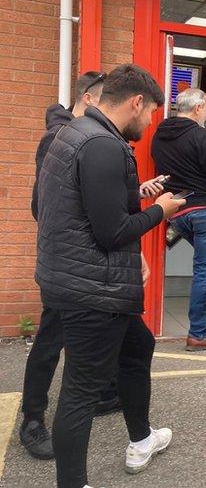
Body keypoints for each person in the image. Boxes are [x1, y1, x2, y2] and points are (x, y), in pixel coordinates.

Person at [35, 64, 184, 488]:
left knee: (137, 347)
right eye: (152, 112)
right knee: (81, 391)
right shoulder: (103, 145)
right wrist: (161, 212)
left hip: (71, 276)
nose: (151, 121)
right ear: (136, 102)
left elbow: (81, 207)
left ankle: (141, 436)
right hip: (91, 289)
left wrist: (137, 198)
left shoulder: (75, 132)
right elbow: (112, 230)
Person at [20, 72, 131, 462]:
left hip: (81, 262)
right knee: (51, 341)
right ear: (88, 98)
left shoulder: (86, 136)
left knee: (113, 335)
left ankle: (103, 393)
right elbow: (43, 204)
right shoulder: (62, 137)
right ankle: (32, 419)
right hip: (68, 263)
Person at [151, 88, 206, 351]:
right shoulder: (200, 135)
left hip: (177, 212)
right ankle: (198, 333)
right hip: (205, 210)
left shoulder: (160, 135)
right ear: (197, 108)